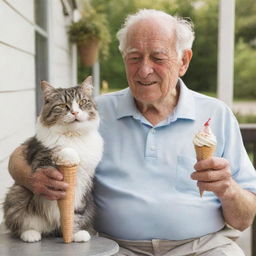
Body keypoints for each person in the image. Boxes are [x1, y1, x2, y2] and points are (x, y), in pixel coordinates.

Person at [8, 9, 256, 256]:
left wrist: (228, 188)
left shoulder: (216, 115)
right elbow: (20, 155)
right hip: (115, 247)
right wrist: (33, 179)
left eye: (158, 58)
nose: (144, 69)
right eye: (134, 57)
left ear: (183, 61)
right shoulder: (92, 113)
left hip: (202, 246)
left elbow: (244, 218)